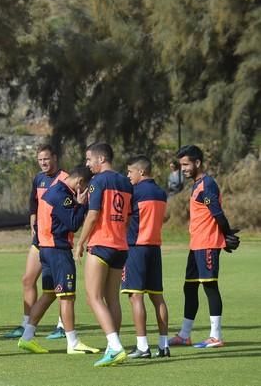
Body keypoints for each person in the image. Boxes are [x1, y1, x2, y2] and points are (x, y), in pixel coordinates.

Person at [17, 165, 100, 356]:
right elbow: (73, 224)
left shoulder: (54, 191)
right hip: (58, 251)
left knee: (49, 294)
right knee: (67, 296)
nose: (87, 192)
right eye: (87, 187)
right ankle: (73, 342)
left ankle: (27, 337)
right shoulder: (62, 195)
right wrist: (82, 204)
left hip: (45, 250)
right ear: (80, 183)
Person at [169, 145, 239, 348]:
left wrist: (226, 236)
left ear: (197, 163)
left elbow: (217, 214)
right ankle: (184, 335)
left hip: (207, 244)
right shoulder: (196, 184)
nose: (183, 168)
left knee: (209, 286)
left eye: (186, 164)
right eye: (181, 165)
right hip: (196, 245)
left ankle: (215, 336)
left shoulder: (207, 185)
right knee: (189, 287)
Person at [74, 142, 132, 367]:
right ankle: (113, 346)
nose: (87, 165)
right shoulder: (126, 182)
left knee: (93, 297)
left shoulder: (99, 180)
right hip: (120, 246)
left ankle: (115, 346)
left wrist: (80, 243)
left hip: (101, 245)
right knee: (112, 299)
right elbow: (126, 217)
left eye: (89, 160)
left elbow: (93, 215)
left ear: (100, 159)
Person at [5, 144, 67, 339]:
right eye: (40, 160)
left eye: (46, 159)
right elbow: (34, 201)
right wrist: (33, 216)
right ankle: (26, 323)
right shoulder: (38, 179)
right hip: (39, 238)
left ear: (54, 158)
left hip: (57, 240)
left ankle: (63, 326)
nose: (43, 163)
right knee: (28, 279)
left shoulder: (65, 179)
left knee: (59, 286)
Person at [121, 155, 170, 358]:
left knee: (136, 296)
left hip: (136, 248)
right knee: (157, 297)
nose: (128, 176)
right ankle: (163, 345)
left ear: (141, 171)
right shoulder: (160, 192)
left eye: (130, 171)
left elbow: (124, 218)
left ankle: (142, 347)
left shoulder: (134, 192)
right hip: (154, 248)